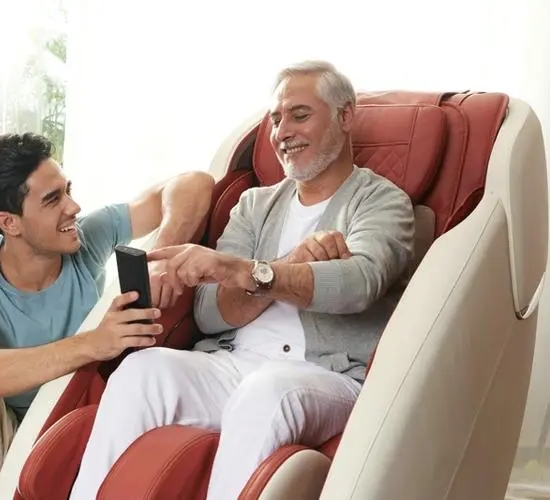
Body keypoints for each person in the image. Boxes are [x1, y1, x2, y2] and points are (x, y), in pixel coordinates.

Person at [69, 60, 416, 500]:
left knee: (265, 393)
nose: (283, 132)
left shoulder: (381, 201)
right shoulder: (255, 205)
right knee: (142, 371)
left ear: (345, 116)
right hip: (234, 362)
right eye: (276, 119)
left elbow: (359, 283)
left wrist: (246, 271)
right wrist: (288, 264)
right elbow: (210, 312)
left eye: (300, 115)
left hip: (322, 374)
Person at [0, 132, 215, 500]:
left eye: (67, 190)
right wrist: (92, 343)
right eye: (53, 199)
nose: (73, 207)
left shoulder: (86, 237)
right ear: (9, 223)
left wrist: (161, 257)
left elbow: (194, 184)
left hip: (94, 430)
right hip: (18, 441)